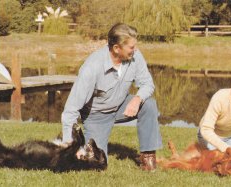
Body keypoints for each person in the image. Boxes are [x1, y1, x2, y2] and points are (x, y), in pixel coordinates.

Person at [61, 23, 162, 171]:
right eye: (131, 47)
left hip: (121, 105)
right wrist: (68, 145)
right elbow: (71, 109)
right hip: (96, 115)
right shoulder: (92, 67)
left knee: (149, 105)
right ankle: (83, 146)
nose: (135, 50)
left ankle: (148, 158)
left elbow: (148, 84)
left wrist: (137, 99)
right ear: (116, 48)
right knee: (99, 164)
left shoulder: (136, 56)